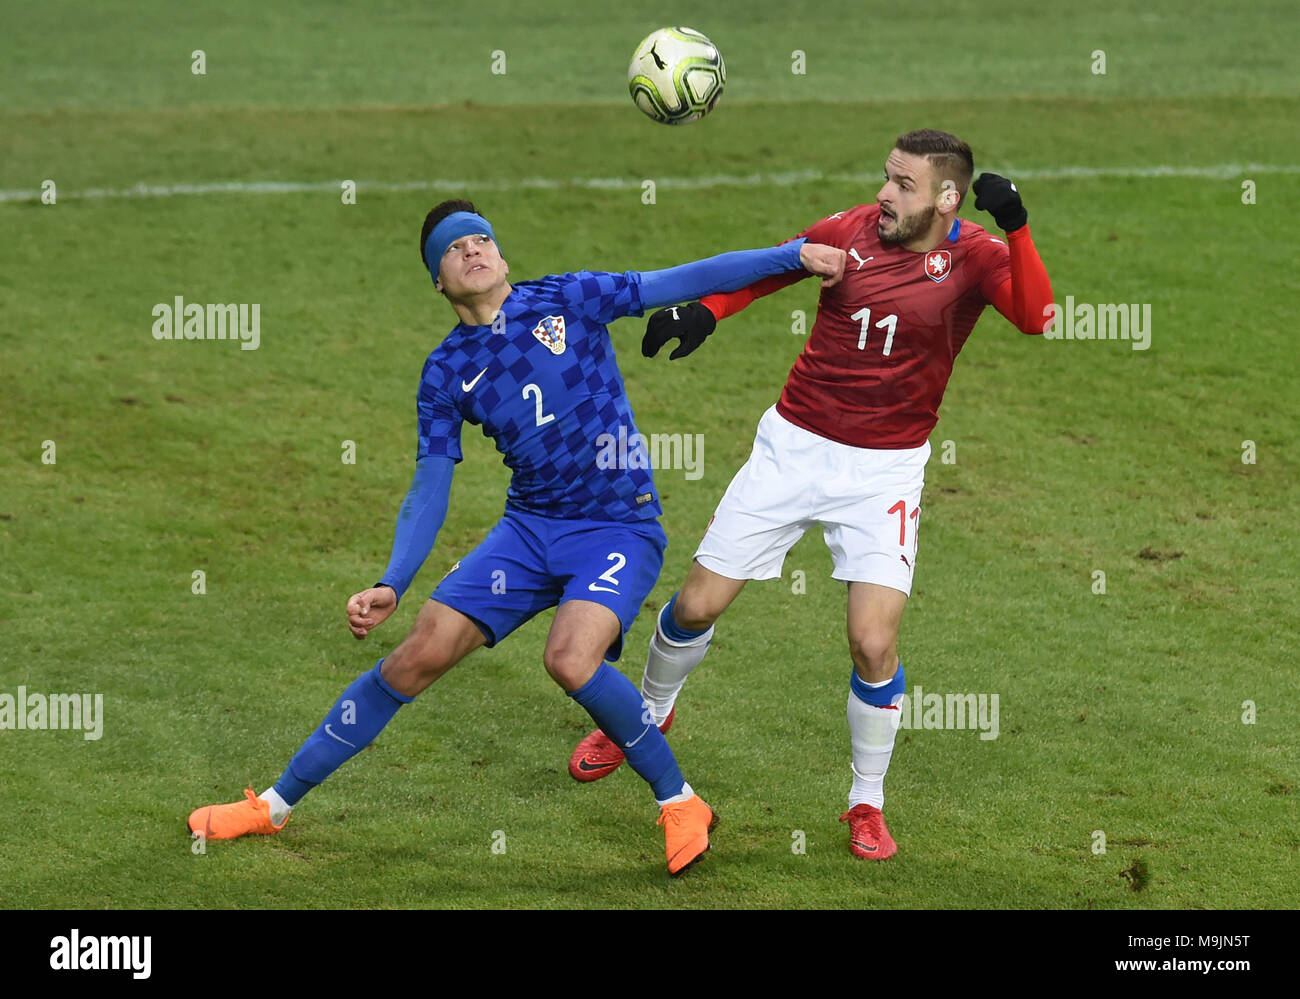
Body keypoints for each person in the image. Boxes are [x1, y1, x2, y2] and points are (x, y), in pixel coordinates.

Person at [187, 199, 846, 876]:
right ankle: (272, 805)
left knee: (570, 657)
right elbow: (431, 484)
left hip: (618, 526)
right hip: (528, 534)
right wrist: (393, 580)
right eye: (454, 248)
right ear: (438, 281)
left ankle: (680, 801)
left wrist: (792, 255)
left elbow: (678, 278)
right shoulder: (446, 371)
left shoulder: (570, 298)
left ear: (502, 257)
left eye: (482, 240)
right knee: (414, 656)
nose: (473, 250)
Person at [567, 130, 1055, 861]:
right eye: (886, 178)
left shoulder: (978, 256)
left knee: (873, 641)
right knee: (697, 603)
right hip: (792, 448)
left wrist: (1018, 228)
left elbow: (1037, 316)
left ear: (948, 199)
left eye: (904, 185)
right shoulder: (853, 228)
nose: (886, 195)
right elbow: (776, 266)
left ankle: (866, 801)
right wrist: (706, 313)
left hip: (885, 471)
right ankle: (644, 716)